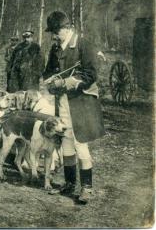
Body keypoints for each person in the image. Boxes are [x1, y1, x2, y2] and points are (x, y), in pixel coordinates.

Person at [43, 10, 105, 204]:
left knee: (81, 145)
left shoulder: (83, 45)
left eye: (56, 31)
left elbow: (90, 74)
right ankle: (70, 184)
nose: (53, 35)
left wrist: (67, 82)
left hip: (81, 104)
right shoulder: (55, 49)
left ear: (67, 28)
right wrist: (50, 83)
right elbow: (48, 73)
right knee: (67, 144)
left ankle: (87, 188)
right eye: (52, 32)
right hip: (62, 105)